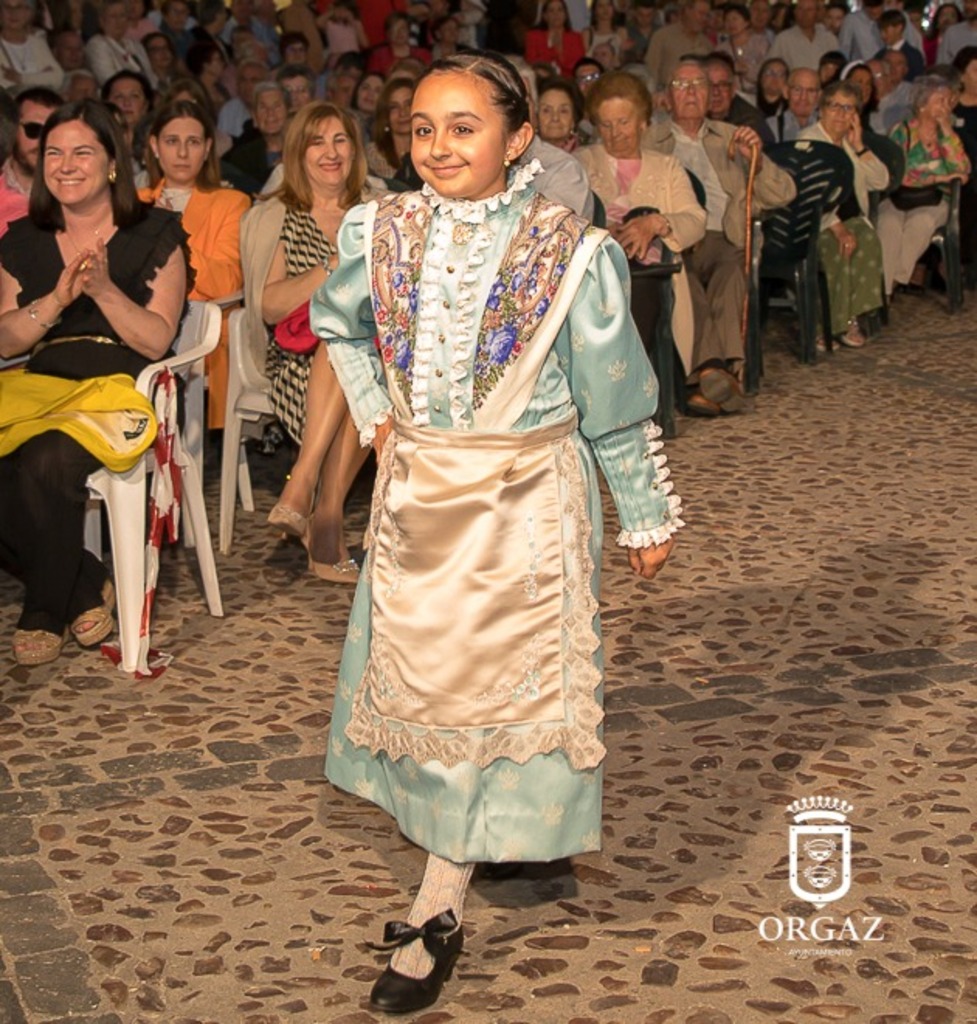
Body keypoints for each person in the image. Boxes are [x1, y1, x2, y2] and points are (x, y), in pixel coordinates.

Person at [312, 51, 680, 1015]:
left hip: (524, 505)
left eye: (464, 127)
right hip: (418, 502)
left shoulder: (570, 251)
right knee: (431, 693)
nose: (438, 146)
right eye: (422, 128)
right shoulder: (381, 231)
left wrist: (641, 510)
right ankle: (502, 841)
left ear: (518, 140)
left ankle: (438, 904)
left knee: (498, 700)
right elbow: (338, 324)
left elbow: (611, 395)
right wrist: (375, 413)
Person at [0, 99, 188, 666]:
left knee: (46, 459)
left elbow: (156, 339)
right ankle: (85, 585)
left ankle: (43, 609)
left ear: (111, 161)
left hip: (118, 389)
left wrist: (103, 290)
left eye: (82, 152)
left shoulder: (154, 231)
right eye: (53, 153)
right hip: (42, 388)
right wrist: (56, 300)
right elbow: (6, 340)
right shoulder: (24, 238)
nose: (65, 165)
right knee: (24, 456)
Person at [241, 101, 377, 581]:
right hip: (298, 360)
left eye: (340, 140)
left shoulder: (377, 210)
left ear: (355, 150)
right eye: (317, 142)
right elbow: (269, 306)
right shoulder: (278, 216)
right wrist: (333, 267)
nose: (331, 152)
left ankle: (302, 490)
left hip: (378, 356)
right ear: (298, 153)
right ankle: (325, 521)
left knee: (357, 355)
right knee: (344, 349)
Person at [645, 57, 796, 415]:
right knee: (685, 280)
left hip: (722, 234)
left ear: (710, 93)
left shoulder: (732, 136)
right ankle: (720, 372)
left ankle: (706, 379)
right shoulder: (650, 139)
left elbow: (784, 193)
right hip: (675, 236)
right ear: (666, 97)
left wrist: (756, 162)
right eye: (681, 85)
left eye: (698, 84)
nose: (691, 92)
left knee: (731, 274)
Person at [577, 70, 706, 379]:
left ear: (643, 123)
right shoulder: (582, 162)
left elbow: (696, 220)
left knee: (641, 284)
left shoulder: (667, 167)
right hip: (594, 274)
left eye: (623, 122)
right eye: (606, 124)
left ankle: (626, 382)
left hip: (650, 274)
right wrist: (601, 228)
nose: (615, 133)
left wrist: (656, 223)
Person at [140, 99, 249, 427]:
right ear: (155, 146)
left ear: (208, 148)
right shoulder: (135, 203)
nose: (183, 153)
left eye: (193, 142)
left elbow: (226, 282)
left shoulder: (231, 202)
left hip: (202, 326)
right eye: (172, 141)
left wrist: (170, 231)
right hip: (143, 321)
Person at [799, 80, 887, 347]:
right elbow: (808, 195)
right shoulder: (809, 141)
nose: (840, 113)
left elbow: (881, 181)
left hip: (851, 219)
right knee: (840, 247)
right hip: (815, 223)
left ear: (855, 115)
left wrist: (859, 146)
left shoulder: (849, 144)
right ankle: (826, 326)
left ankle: (850, 318)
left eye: (848, 108)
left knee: (868, 239)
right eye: (834, 106)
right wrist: (837, 227)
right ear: (821, 109)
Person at [877, 74, 971, 297]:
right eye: (940, 101)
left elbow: (963, 170)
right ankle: (883, 291)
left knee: (921, 224)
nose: (946, 106)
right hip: (900, 196)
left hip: (935, 200)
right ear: (922, 105)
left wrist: (946, 131)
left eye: (948, 101)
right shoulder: (901, 131)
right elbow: (900, 173)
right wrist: (939, 177)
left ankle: (891, 284)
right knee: (888, 224)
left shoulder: (949, 134)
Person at [0, 86, 59, 235]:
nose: (44, 141)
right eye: (33, 129)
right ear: (13, 128)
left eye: (53, 132)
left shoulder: (74, 195)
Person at [224, 80, 287, 194]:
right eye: (263, 108)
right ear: (254, 117)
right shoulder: (242, 157)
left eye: (276, 106)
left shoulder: (304, 151)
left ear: (288, 111)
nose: (270, 113)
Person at [85, 0, 155, 86]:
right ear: (102, 21)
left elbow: (151, 76)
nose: (118, 21)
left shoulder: (136, 45)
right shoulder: (96, 45)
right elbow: (108, 79)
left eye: (122, 16)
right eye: (113, 16)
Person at [644, 0, 710, 92]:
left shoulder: (707, 44)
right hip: (665, 95)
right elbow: (651, 71)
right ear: (687, 10)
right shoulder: (662, 37)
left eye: (707, 15)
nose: (704, 18)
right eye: (701, 13)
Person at [0, 0, 63, 90]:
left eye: (19, 7)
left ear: (28, 13)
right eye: (7, 7)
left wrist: (21, 78)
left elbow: (58, 78)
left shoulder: (38, 43)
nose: (13, 13)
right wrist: (40, 77)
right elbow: (4, 85)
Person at [717, 1, 768, 99]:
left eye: (735, 19)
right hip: (731, 97)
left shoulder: (761, 43)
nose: (731, 23)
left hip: (757, 96)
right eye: (727, 20)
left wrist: (747, 70)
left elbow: (766, 71)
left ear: (746, 22)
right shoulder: (721, 49)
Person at [768, 0, 839, 70]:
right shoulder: (783, 39)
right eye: (800, 9)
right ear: (795, 12)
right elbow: (770, 66)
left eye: (809, 10)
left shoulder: (829, 39)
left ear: (817, 13)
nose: (804, 13)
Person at [365, 74, 413, 179]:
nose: (403, 113)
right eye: (394, 107)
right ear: (385, 116)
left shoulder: (433, 149)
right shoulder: (373, 154)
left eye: (408, 104)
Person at [525, 0, 586, 77]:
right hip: (543, 79)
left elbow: (579, 64)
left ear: (565, 14)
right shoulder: (534, 36)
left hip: (570, 79)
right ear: (545, 16)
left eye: (560, 10)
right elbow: (532, 62)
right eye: (551, 10)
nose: (556, 14)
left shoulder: (575, 37)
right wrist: (552, 49)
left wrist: (559, 50)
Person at [367, 11, 431, 76]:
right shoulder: (378, 57)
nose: (399, 32)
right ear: (388, 33)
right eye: (394, 29)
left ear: (409, 31)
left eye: (403, 28)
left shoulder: (423, 54)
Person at [768, 65, 821, 141]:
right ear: (786, 92)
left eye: (811, 91)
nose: (803, 97)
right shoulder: (770, 127)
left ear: (819, 96)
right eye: (797, 90)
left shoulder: (829, 128)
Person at [536, 75, 584, 151]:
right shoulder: (523, 155)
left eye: (563, 111)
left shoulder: (588, 155)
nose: (555, 118)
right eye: (546, 110)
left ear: (574, 119)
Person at [875, 9, 925, 82]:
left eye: (885, 31)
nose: (882, 35)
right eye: (881, 31)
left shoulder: (913, 55)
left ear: (899, 28)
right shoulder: (880, 55)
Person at [927, 2, 962, 66]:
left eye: (952, 16)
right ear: (936, 20)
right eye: (943, 15)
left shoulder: (963, 42)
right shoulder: (926, 43)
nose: (947, 19)